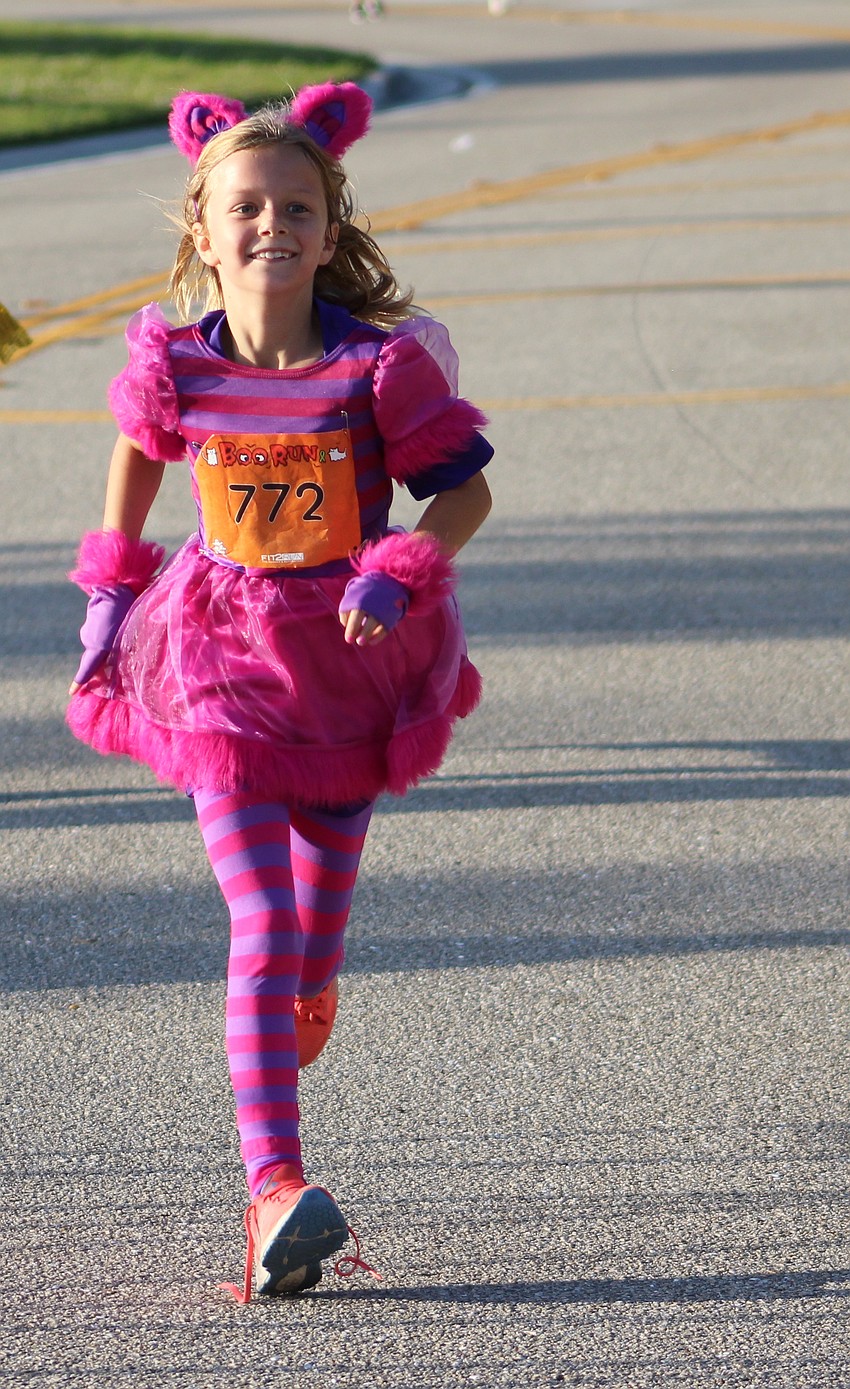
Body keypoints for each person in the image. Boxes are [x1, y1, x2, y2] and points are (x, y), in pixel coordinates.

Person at [66, 82, 492, 1303]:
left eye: (295, 206)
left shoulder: (376, 370)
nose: (270, 225)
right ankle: (274, 1192)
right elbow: (141, 451)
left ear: (328, 223)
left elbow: (462, 493)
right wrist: (110, 588)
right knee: (257, 924)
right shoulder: (177, 360)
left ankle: (311, 980)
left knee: (308, 937)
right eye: (244, 206)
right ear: (204, 229)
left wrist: (403, 571)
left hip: (353, 664)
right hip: (219, 659)